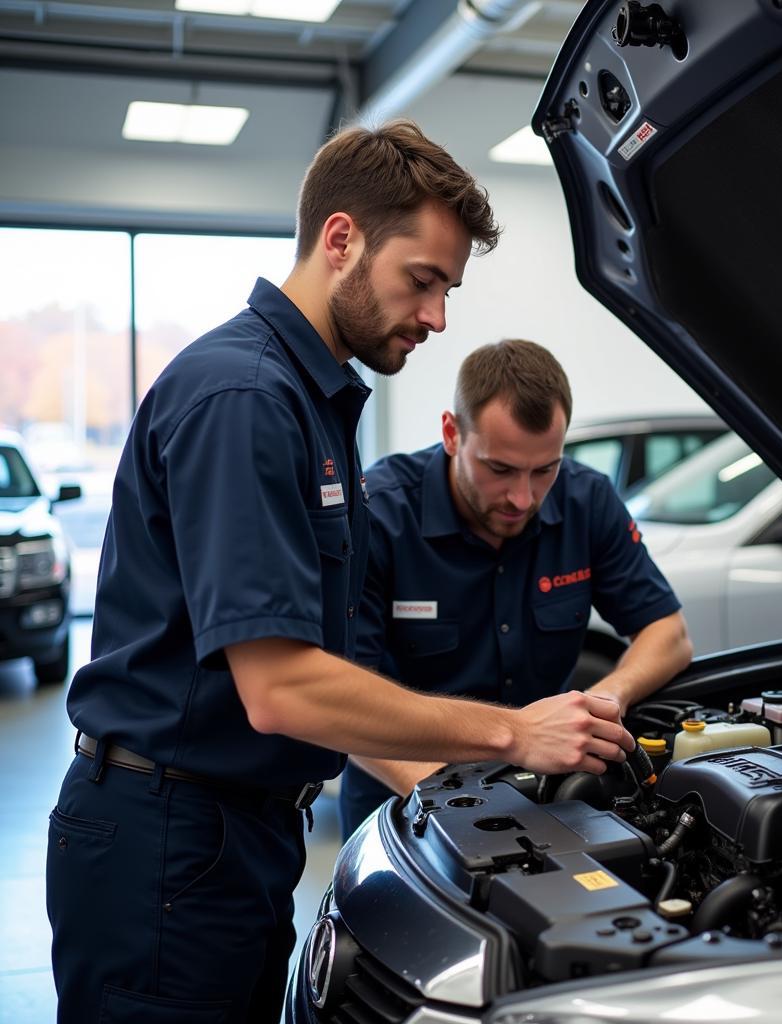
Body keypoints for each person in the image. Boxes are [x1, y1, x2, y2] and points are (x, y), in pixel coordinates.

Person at [46, 122, 633, 1023]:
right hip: (166, 842)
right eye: (424, 280)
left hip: (231, 832)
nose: (438, 317)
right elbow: (283, 689)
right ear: (342, 239)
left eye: (448, 288)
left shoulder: (306, 399)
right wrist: (511, 734)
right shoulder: (246, 398)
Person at [340, 339, 693, 839]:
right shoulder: (380, 515)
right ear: (451, 434)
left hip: (550, 799)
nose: (522, 498)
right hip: (405, 805)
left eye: (544, 469)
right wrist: (449, 799)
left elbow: (669, 633)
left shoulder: (586, 500)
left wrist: (605, 700)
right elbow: (347, 702)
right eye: (500, 469)